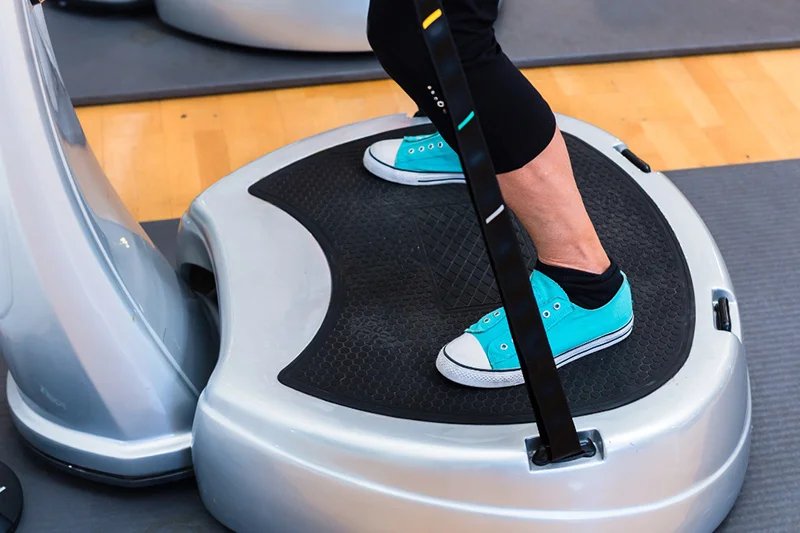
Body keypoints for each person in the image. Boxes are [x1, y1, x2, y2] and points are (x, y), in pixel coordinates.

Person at [364, 0, 634, 389]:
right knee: (409, 24)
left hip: (585, 294)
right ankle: (470, 143)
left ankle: (586, 285)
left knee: (434, 35)